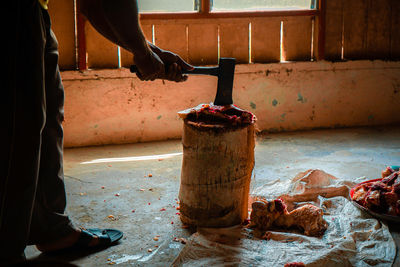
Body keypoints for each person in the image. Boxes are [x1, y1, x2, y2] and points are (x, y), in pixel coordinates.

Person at [1, 0, 193, 264]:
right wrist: (143, 53)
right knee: (15, 132)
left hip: (33, 11)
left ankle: (49, 226)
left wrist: (147, 51)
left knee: (44, 119)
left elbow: (93, 4)